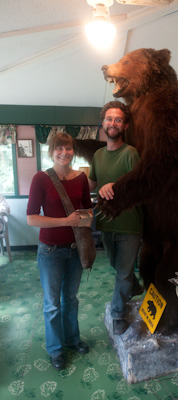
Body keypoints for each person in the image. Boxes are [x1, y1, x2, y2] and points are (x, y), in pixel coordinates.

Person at [27, 132, 92, 370]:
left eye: (68, 148)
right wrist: (66, 221)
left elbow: (87, 209)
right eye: (59, 148)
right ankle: (55, 349)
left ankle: (72, 340)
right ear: (51, 151)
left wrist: (86, 218)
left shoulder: (81, 178)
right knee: (52, 303)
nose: (64, 153)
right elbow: (31, 219)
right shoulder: (41, 179)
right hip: (50, 251)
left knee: (71, 300)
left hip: (75, 250)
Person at [89, 101, 143, 335]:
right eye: (109, 119)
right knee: (116, 266)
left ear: (125, 125)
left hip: (130, 225)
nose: (113, 123)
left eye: (118, 119)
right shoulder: (98, 155)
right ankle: (134, 285)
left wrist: (116, 185)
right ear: (103, 123)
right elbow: (91, 185)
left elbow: (141, 186)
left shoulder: (131, 153)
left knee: (122, 271)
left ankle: (118, 314)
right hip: (106, 223)